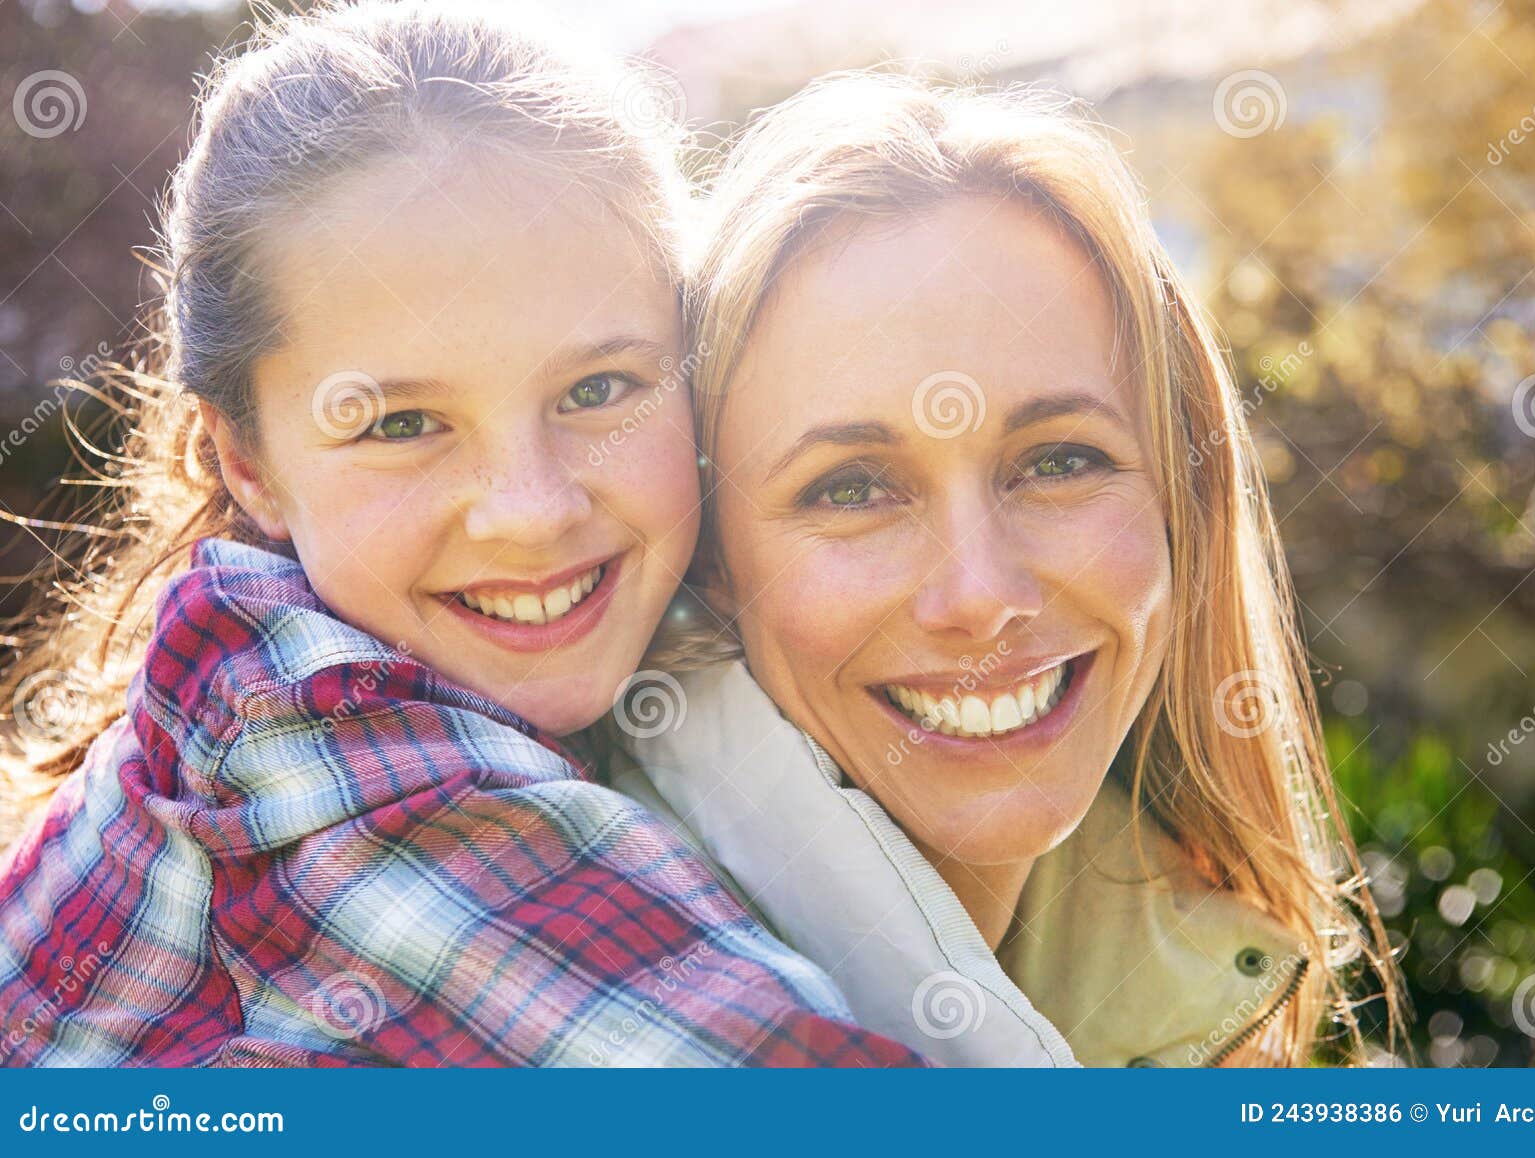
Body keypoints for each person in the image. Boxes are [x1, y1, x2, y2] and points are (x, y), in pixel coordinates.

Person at [0, 4, 921, 1069]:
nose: (530, 507)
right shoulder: (334, 758)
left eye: (598, 388)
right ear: (246, 461)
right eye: (401, 424)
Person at [611, 72, 1410, 1066]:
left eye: (1058, 462)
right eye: (854, 488)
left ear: (1180, 499)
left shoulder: (1175, 964)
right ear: (714, 561)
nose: (982, 594)